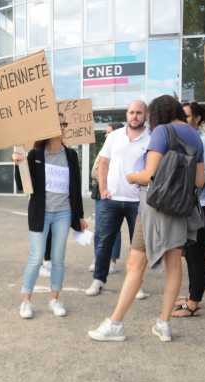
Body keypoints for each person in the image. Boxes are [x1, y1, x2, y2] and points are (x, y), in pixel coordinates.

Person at [88, 95, 205, 342]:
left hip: (155, 208)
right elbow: (200, 181)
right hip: (181, 209)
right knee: (174, 266)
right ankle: (164, 324)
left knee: (135, 264)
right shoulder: (195, 136)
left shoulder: (163, 131)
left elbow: (149, 175)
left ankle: (116, 323)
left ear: (158, 113)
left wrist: (132, 177)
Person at [13, 136, 88, 319]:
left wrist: (79, 216)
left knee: (58, 257)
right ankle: (25, 301)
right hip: (41, 213)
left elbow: (75, 186)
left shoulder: (70, 154)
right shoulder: (35, 154)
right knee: (36, 256)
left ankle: (54, 299)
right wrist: (19, 165)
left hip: (64, 213)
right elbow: (24, 185)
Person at [86, 101, 150, 299]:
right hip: (111, 199)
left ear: (145, 115)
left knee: (138, 246)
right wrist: (103, 188)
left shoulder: (152, 138)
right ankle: (98, 280)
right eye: (131, 112)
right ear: (127, 114)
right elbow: (103, 163)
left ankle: (136, 285)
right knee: (104, 241)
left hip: (138, 201)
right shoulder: (114, 136)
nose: (134, 116)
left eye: (139, 113)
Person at [173, 102, 205, 317]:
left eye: (187, 115)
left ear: (199, 118)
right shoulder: (182, 141)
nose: (183, 119)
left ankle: (193, 303)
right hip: (186, 206)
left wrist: (186, 178)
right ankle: (193, 294)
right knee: (190, 254)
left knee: (197, 254)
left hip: (202, 206)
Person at [89, 122, 124, 275]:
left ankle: (112, 261)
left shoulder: (120, 151)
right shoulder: (105, 148)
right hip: (99, 192)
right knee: (99, 228)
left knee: (113, 229)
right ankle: (98, 258)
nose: (105, 135)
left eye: (108, 132)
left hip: (112, 192)